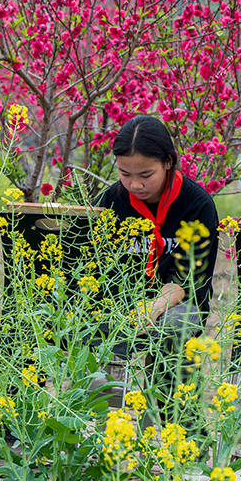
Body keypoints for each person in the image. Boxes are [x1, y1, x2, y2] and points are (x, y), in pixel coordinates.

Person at [95, 115, 219, 339]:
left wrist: (154, 307)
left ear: (168, 162)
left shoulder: (198, 205)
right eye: (125, 174)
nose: (135, 185)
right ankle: (100, 375)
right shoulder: (109, 202)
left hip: (179, 302)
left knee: (174, 324)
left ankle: (166, 376)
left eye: (146, 175)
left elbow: (188, 278)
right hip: (121, 299)